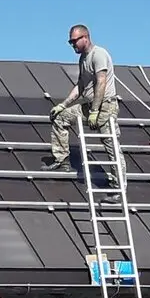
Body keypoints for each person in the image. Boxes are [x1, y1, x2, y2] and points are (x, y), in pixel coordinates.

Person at [42, 24, 123, 194]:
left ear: (85, 37)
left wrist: (95, 111)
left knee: (111, 147)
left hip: (105, 107)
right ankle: (62, 160)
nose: (73, 45)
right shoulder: (83, 59)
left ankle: (118, 189)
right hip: (90, 106)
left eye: (74, 41)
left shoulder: (98, 54)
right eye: (70, 42)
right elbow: (80, 85)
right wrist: (64, 105)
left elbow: (101, 82)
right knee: (60, 117)